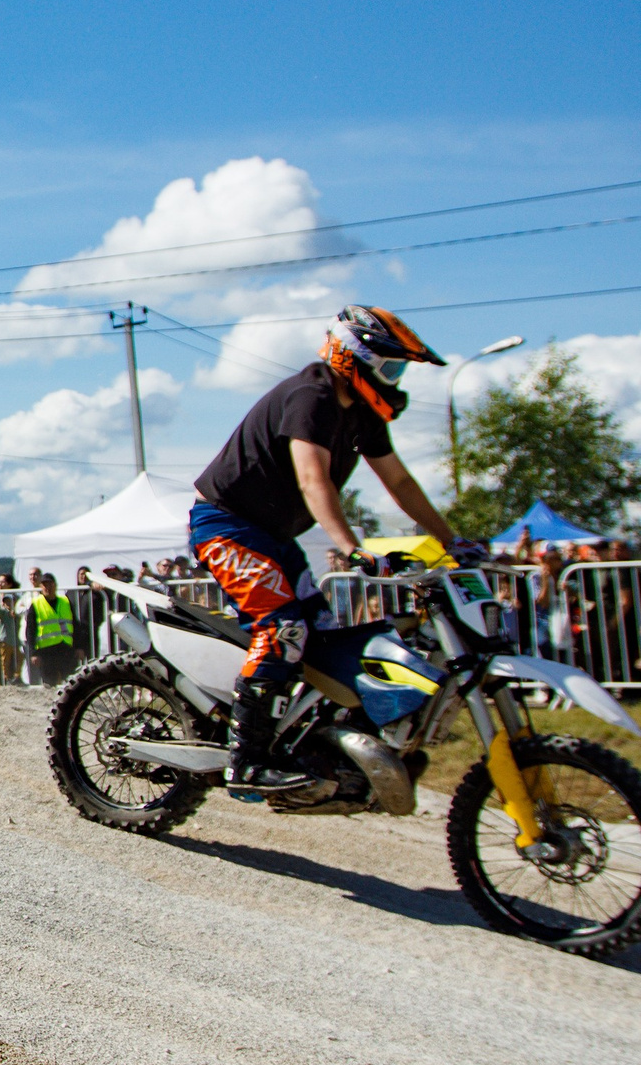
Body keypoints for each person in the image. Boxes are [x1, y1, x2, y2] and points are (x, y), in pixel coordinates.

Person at [190, 306, 477, 794]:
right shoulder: (313, 394)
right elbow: (311, 477)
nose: (397, 378)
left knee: (325, 631)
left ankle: (321, 744)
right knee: (283, 629)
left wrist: (454, 542)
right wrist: (349, 546)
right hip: (227, 526)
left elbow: (400, 481)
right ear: (354, 356)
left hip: (275, 537)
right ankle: (247, 761)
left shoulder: (363, 413)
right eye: (392, 367)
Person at [26, 572, 79, 686]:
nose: (47, 588)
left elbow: (76, 625)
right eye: (44, 585)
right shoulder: (36, 604)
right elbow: (30, 631)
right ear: (41, 587)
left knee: (71, 682)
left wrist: (78, 647)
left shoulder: (65, 601)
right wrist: (33, 653)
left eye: (50, 584)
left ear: (55, 585)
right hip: (46, 651)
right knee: (49, 683)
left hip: (65, 648)